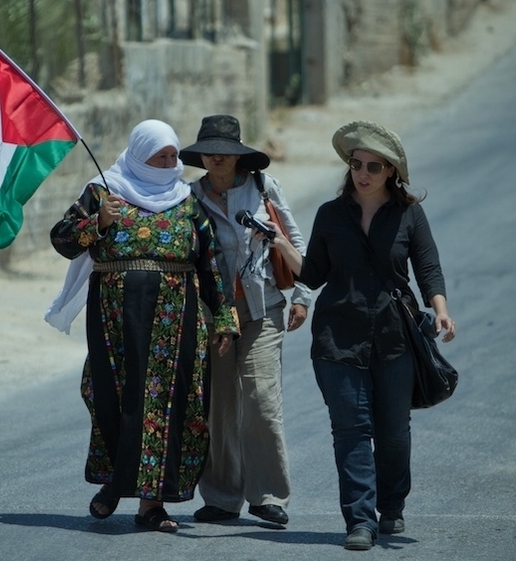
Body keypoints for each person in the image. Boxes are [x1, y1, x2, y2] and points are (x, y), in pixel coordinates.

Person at [266, 120, 457, 550]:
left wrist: (441, 311)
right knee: (351, 430)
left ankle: (391, 505)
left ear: (391, 171)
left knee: (393, 432)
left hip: (395, 337)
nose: (363, 173)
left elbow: (428, 268)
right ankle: (360, 520)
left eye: (373, 166)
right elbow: (314, 274)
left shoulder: (409, 214)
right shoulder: (331, 215)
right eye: (356, 164)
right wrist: (281, 243)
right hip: (338, 337)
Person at [47, 119, 239, 533]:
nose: (169, 163)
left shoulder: (187, 201)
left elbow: (210, 262)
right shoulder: (104, 191)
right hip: (115, 318)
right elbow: (61, 239)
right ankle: (115, 483)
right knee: (115, 395)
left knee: (167, 405)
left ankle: (152, 504)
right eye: (160, 157)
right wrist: (97, 223)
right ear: (138, 156)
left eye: (173, 156)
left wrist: (224, 316)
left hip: (176, 317)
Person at [178, 114, 312, 526]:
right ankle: (221, 498)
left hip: (262, 310)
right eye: (209, 152)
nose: (216, 158)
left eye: (224, 152)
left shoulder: (263, 187)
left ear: (238, 156)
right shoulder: (188, 197)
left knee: (261, 400)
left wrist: (302, 296)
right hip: (212, 317)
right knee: (219, 408)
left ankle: (268, 496)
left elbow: (293, 239)